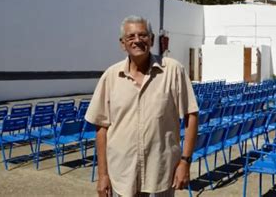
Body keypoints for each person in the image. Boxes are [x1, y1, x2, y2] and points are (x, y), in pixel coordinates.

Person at [85, 15, 199, 197]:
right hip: (122, 175)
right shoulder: (111, 76)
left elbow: (191, 115)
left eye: (143, 35)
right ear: (123, 43)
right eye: (131, 37)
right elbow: (101, 127)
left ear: (152, 39)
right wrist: (102, 175)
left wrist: (185, 162)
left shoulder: (173, 70)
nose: (137, 40)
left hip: (161, 173)